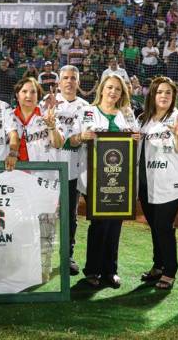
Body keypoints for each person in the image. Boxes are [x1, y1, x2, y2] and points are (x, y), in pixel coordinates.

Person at [70, 75, 140, 289]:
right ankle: (92, 270)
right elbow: (72, 141)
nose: (113, 92)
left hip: (120, 178)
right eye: (109, 87)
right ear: (101, 89)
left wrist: (137, 138)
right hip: (93, 178)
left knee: (115, 223)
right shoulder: (85, 112)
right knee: (99, 224)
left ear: (122, 93)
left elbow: (135, 141)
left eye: (117, 89)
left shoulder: (127, 114)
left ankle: (110, 270)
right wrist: (82, 136)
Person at [7, 77, 65, 283]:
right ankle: (20, 266)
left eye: (33, 92)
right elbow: (13, 138)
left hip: (46, 180)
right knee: (20, 225)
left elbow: (58, 143)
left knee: (46, 227)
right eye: (24, 91)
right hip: (19, 181)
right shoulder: (10, 116)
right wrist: (13, 152)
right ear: (17, 94)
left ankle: (44, 267)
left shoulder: (47, 115)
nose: (29, 95)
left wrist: (51, 126)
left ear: (38, 96)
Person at [138, 76, 178, 290]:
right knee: (155, 227)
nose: (164, 96)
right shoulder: (143, 119)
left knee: (163, 226)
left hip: (171, 183)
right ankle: (158, 265)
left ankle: (170, 271)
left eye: (168, 93)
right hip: (147, 182)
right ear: (152, 94)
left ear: (173, 96)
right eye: (160, 92)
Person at [42, 65, 90, 276]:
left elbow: (83, 139)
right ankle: (43, 255)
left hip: (72, 170)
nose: (69, 82)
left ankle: (67, 257)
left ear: (78, 82)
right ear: (58, 82)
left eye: (73, 78)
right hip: (47, 170)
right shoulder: (47, 103)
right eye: (65, 78)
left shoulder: (86, 106)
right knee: (44, 214)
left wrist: (68, 141)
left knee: (70, 216)